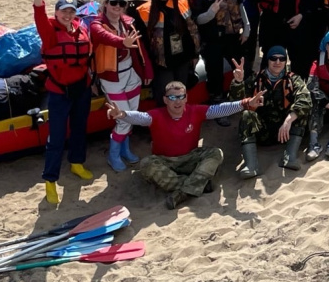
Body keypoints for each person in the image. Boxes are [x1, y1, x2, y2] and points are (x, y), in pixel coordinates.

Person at [108, 79, 261, 208]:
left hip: (190, 158)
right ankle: (197, 185)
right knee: (146, 164)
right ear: (165, 100)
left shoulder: (195, 111)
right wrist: (122, 114)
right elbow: (138, 117)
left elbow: (219, 109)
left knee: (216, 153)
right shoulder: (155, 115)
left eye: (181, 97)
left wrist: (246, 102)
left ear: (186, 98)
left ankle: (183, 193)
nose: (178, 101)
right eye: (173, 98)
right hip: (165, 161)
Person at [29, 0, 94, 206]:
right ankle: (50, 180)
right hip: (59, 92)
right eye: (63, 11)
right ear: (56, 13)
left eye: (71, 11)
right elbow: (38, 13)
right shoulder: (50, 32)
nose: (67, 15)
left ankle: (76, 163)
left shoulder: (81, 28)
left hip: (81, 89)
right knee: (56, 138)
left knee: (79, 129)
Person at [231, 44, 313, 173]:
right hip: (263, 131)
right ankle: (251, 165)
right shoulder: (256, 79)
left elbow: (305, 100)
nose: (277, 62)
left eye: (281, 59)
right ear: (268, 60)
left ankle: (290, 157)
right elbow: (235, 102)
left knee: (301, 112)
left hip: (286, 132)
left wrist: (288, 121)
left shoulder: (293, 79)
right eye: (273, 58)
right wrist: (238, 82)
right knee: (247, 115)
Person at [91, 0, 147, 172]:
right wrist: (122, 42)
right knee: (123, 118)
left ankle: (125, 149)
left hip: (131, 74)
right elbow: (105, 37)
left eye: (121, 3)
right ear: (105, 4)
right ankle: (113, 155)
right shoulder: (96, 25)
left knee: (131, 114)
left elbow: (140, 50)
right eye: (113, 2)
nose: (117, 7)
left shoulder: (128, 23)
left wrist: (147, 72)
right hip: (111, 78)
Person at [187, 0, 243, 102]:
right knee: (215, 75)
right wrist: (211, 12)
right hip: (212, 40)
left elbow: (239, 4)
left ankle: (238, 99)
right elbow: (197, 20)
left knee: (239, 67)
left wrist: (247, 27)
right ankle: (217, 105)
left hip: (232, 35)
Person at [138, 0, 201, 94]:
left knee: (181, 94)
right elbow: (144, 44)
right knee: (165, 97)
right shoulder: (144, 11)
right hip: (162, 64)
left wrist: (195, 54)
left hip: (182, 59)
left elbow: (192, 31)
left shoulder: (182, 2)